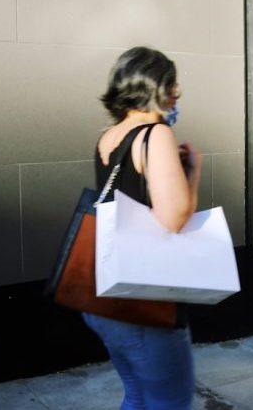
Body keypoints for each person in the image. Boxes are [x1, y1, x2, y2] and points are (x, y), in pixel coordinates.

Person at [85, 46, 202, 410]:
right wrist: (193, 174)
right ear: (156, 86)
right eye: (172, 83)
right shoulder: (156, 134)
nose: (177, 91)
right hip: (145, 301)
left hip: (105, 297)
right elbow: (175, 217)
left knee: (137, 396)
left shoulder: (110, 136)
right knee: (171, 402)